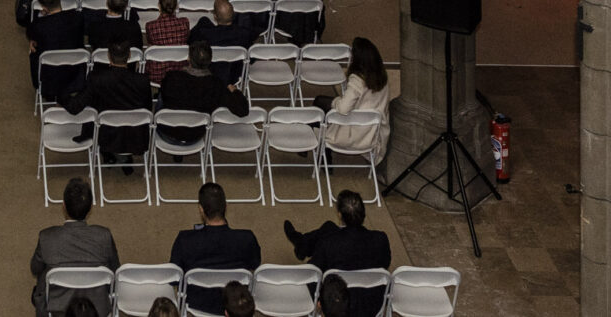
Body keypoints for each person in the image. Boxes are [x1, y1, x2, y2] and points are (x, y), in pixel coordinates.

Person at [284, 192, 392, 316]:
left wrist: (320, 299)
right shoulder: (381, 239)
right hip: (372, 304)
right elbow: (385, 264)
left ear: (340, 215)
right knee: (328, 227)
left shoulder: (329, 243)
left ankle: (301, 244)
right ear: (363, 214)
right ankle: (301, 243)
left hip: (337, 304)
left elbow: (312, 273)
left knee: (327, 230)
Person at [29, 177, 118, 317]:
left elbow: (35, 268)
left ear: (63, 206)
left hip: (57, 306)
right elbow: (115, 270)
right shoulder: (104, 235)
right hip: (96, 306)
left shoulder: (47, 237)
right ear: (90, 208)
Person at [168, 183, 262, 314]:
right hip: (234, 303)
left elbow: (174, 278)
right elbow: (255, 264)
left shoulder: (184, 240)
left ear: (201, 209)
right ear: (225, 206)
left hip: (197, 302)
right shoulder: (247, 238)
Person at [60, 40, 153, 162]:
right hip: (135, 137)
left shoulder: (97, 78)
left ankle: (112, 154)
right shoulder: (143, 80)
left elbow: (75, 107)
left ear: (108, 56)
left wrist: (61, 95)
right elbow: (147, 109)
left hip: (105, 137)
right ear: (130, 56)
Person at [320, 36, 392, 157]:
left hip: (355, 131)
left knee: (320, 102)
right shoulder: (383, 76)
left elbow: (343, 109)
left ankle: (322, 147)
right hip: (372, 132)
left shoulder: (357, 79)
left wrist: (336, 101)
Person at [158, 40, 249, 124]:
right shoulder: (216, 85)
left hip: (168, 129)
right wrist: (234, 90)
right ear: (210, 60)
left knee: (162, 92)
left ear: (188, 58)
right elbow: (242, 110)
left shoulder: (172, 77)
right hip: (197, 132)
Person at [27, 0, 86, 87]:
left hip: (49, 77)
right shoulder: (78, 18)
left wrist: (41, 15)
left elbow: (30, 33)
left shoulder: (39, 25)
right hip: (75, 73)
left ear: (44, 7)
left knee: (34, 51)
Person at [143, 0, 189, 85]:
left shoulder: (150, 26)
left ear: (159, 6)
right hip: (180, 71)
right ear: (176, 6)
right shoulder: (184, 23)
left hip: (157, 75)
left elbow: (150, 43)